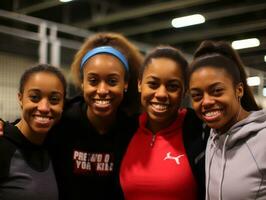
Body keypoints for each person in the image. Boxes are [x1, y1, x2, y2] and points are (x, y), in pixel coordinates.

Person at [46, 32, 143, 200]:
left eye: (112, 81)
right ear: (82, 82)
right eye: (93, 81)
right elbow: (24, 132)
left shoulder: (134, 129)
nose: (102, 90)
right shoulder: (61, 120)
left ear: (126, 83)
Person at [119, 46, 208, 200]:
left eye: (172, 86)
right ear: (140, 84)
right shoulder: (124, 129)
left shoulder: (200, 130)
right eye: (153, 84)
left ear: (185, 90)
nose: (161, 94)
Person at [188, 40, 266, 200]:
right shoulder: (213, 137)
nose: (207, 101)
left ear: (239, 90)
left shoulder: (262, 139)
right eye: (197, 95)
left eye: (216, 91)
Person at [0, 64, 67, 200]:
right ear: (20, 98)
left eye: (54, 99)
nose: (43, 107)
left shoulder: (57, 145)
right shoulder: (2, 145)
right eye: (35, 97)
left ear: (63, 104)